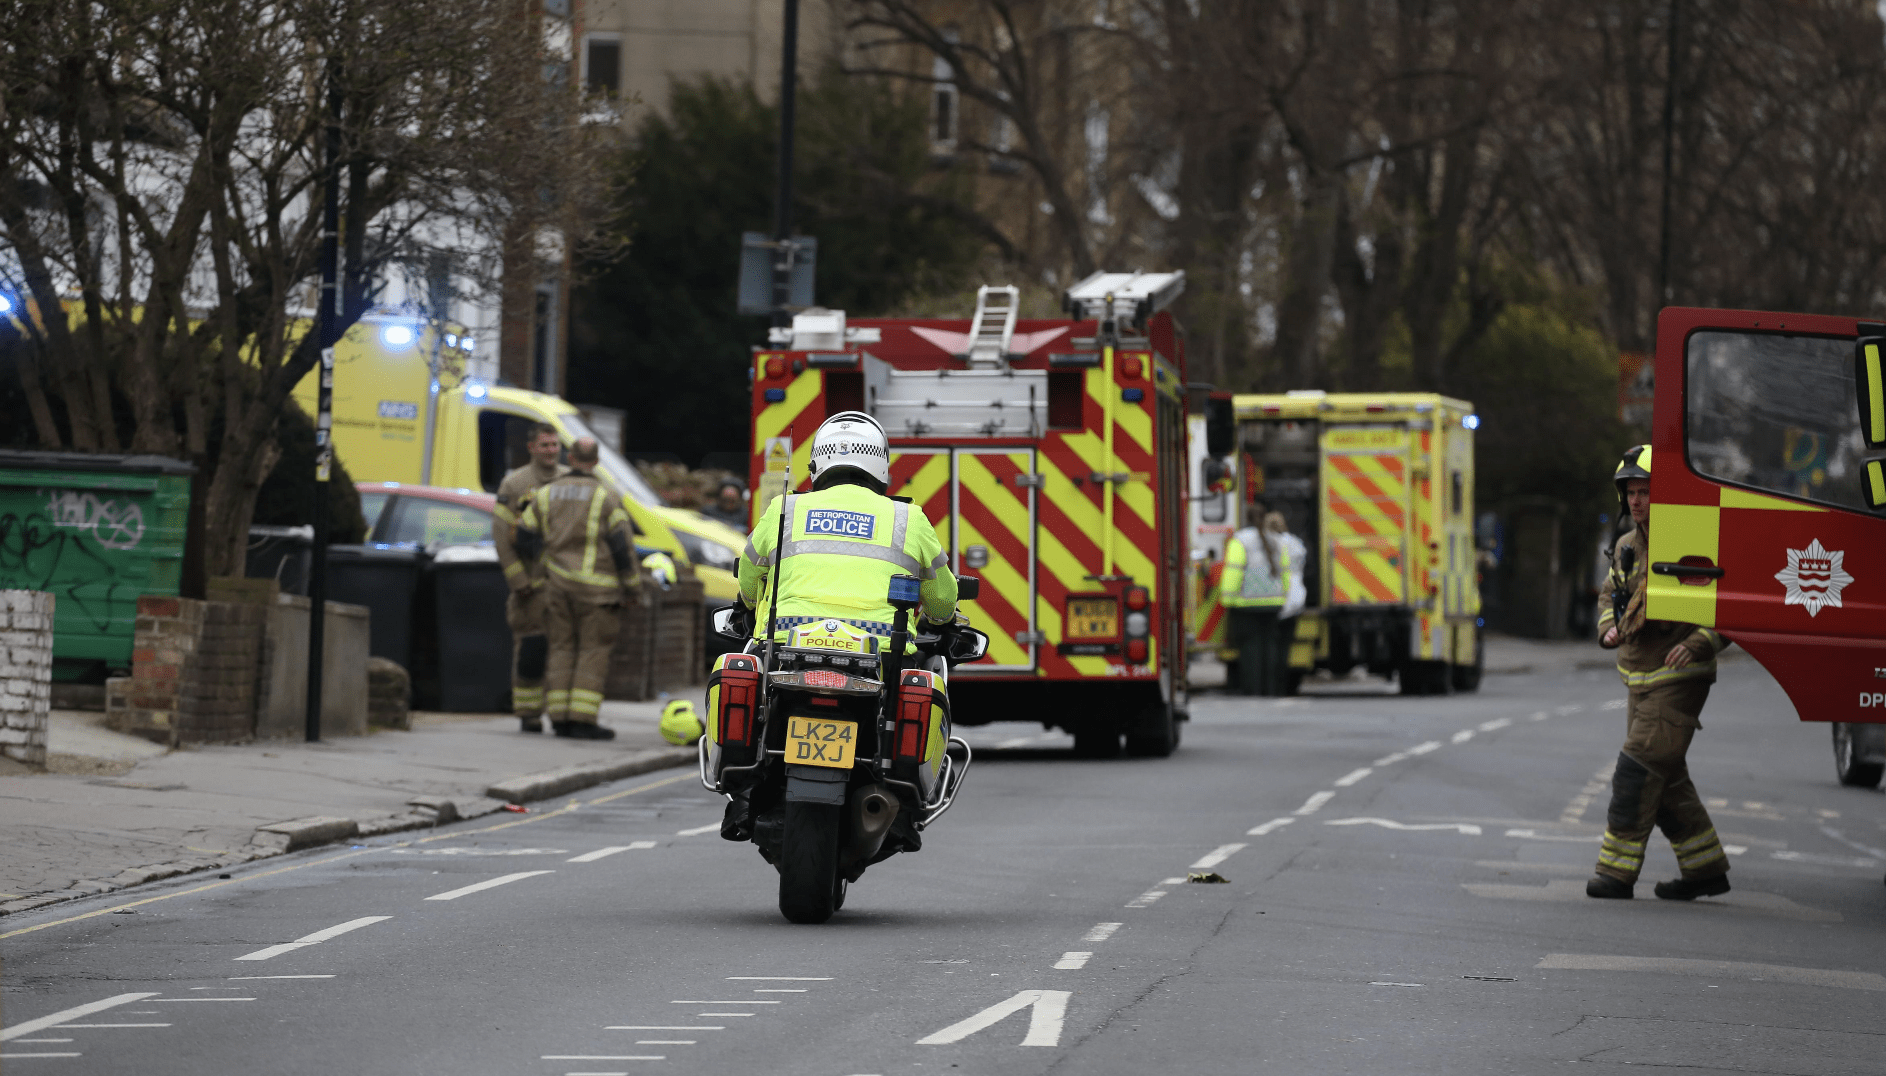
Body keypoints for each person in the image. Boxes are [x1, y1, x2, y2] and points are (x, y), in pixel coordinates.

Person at [723, 411, 958, 835]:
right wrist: (942, 622)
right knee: (926, 684)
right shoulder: (908, 519)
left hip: (785, 649)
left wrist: (750, 602)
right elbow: (942, 599)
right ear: (881, 465)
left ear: (817, 464)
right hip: (881, 658)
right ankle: (903, 797)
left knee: (743, 673)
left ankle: (743, 791)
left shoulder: (786, 508)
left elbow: (748, 577)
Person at [1587, 444, 1732, 900]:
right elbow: (1608, 595)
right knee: (1665, 777)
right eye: (1630, 492)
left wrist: (1698, 642)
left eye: (1645, 490)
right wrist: (1609, 628)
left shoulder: (1692, 540)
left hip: (1680, 680)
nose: (1636, 500)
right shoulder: (1627, 546)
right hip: (1638, 679)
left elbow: (1729, 602)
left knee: (1638, 767)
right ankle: (1705, 868)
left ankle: (1615, 873)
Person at [515, 437, 641, 741]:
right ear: (596, 462)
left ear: (570, 458)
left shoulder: (545, 494)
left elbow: (523, 537)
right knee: (592, 652)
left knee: (560, 649)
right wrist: (633, 587)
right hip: (598, 592)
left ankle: (558, 718)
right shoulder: (607, 496)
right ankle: (582, 721)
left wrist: (546, 564)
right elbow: (622, 547)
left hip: (557, 587)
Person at [492, 423, 565, 733]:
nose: (551, 451)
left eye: (555, 445)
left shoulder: (568, 482)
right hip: (531, 589)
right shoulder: (515, 484)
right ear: (532, 447)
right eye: (545, 445)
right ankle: (528, 714)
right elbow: (501, 538)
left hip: (563, 585)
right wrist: (519, 582)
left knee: (563, 652)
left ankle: (561, 715)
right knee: (531, 651)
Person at [1220, 504, 1291, 695]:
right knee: (1270, 648)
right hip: (1274, 604)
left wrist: (1227, 599)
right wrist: (1285, 595)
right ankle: (1270, 689)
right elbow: (1285, 572)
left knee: (1251, 649)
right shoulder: (1277, 540)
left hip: (1246, 605)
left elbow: (1233, 571)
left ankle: (1253, 689)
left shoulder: (1240, 541)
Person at [1268, 511, 1308, 691]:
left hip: (1275, 596)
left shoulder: (1269, 543)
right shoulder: (1295, 543)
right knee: (1285, 644)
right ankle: (1284, 682)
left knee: (1272, 645)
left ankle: (1273, 683)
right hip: (1296, 596)